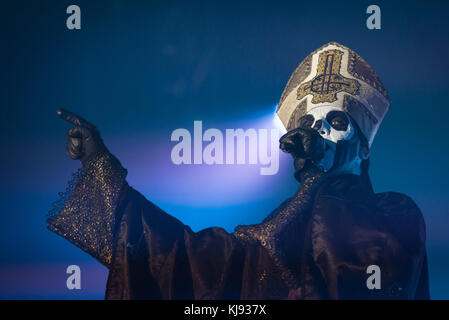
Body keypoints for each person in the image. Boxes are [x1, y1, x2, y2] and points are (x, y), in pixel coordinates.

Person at [48, 42, 429, 299]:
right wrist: (103, 170)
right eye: (310, 126)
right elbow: (183, 261)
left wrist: (321, 177)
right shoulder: (276, 231)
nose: (320, 133)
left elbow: (348, 269)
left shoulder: (395, 214)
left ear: (364, 147)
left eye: (335, 120)